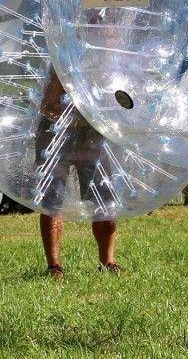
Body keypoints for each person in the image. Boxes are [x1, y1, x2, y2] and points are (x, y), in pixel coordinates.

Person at [29, 73, 121, 277]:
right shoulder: (60, 61)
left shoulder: (101, 59)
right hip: (55, 133)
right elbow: (48, 106)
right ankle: (54, 266)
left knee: (104, 198)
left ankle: (108, 262)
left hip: (91, 132)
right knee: (52, 198)